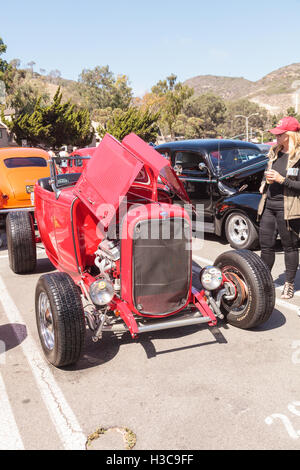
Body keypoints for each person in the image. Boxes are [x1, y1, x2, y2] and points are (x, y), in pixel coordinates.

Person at [257, 116, 300, 299]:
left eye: (280, 134)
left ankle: (289, 283)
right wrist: (264, 182)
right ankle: (263, 281)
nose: (276, 137)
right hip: (269, 205)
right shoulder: (274, 152)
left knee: (290, 247)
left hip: (288, 208)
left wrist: (283, 180)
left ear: (289, 135)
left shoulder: (298, 156)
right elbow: (267, 174)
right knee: (266, 246)